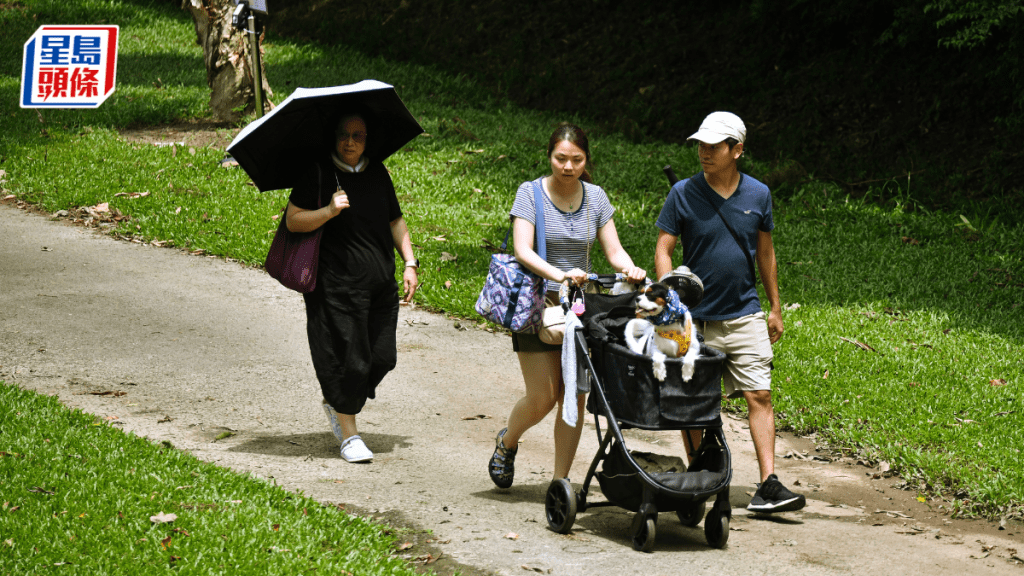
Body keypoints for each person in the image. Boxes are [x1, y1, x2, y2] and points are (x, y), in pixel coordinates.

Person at [654, 112, 805, 513]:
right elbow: (664, 250)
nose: (704, 153)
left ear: (737, 150)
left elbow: (766, 253)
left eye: (713, 146)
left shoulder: (758, 195)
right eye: (700, 145)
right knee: (694, 404)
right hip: (695, 319)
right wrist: (671, 301)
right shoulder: (683, 193)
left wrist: (775, 307)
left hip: (744, 313)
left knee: (760, 394)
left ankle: (768, 485)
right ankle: (697, 478)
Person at [489, 123, 647, 488]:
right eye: (561, 158)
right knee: (543, 398)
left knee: (574, 398)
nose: (568, 166)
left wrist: (630, 268)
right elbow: (523, 250)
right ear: (550, 157)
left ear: (586, 160)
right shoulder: (530, 194)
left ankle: (560, 482)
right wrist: (560, 275)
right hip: (536, 305)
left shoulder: (596, 197)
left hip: (578, 309)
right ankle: (507, 441)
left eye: (576, 159)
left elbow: (614, 250)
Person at [286, 113, 419, 463]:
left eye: (357, 135)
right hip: (335, 287)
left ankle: (337, 398)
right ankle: (349, 435)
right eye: (344, 134)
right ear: (334, 136)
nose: (349, 142)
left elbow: (395, 220)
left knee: (383, 358)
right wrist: (329, 211)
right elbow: (293, 219)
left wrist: (409, 262)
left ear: (367, 138)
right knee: (350, 363)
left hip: (380, 285)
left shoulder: (377, 172)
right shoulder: (318, 173)